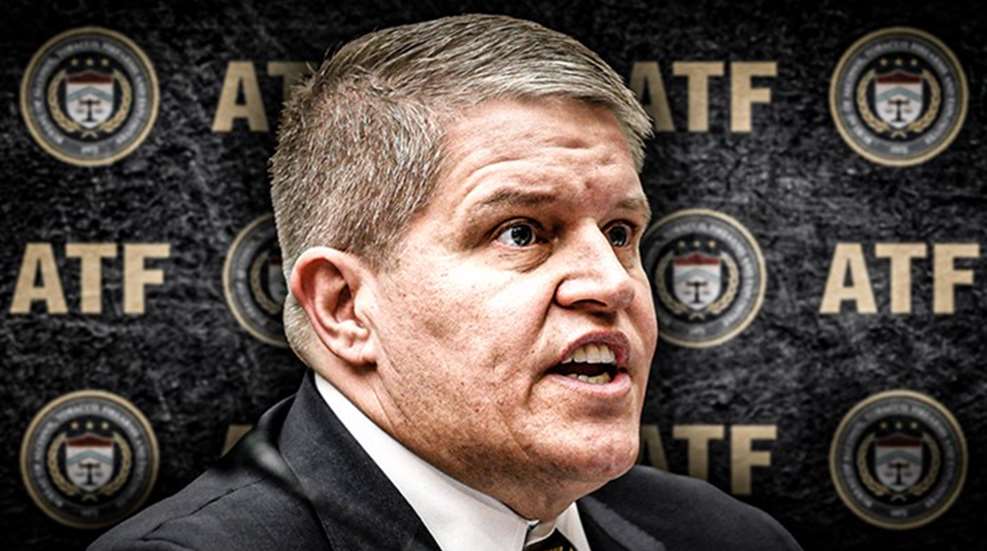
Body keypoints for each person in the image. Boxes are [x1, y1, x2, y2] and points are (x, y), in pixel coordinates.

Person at [90, 14, 801, 551]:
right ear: (344, 307)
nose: (611, 282)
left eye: (619, 232)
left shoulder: (727, 537)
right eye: (521, 232)